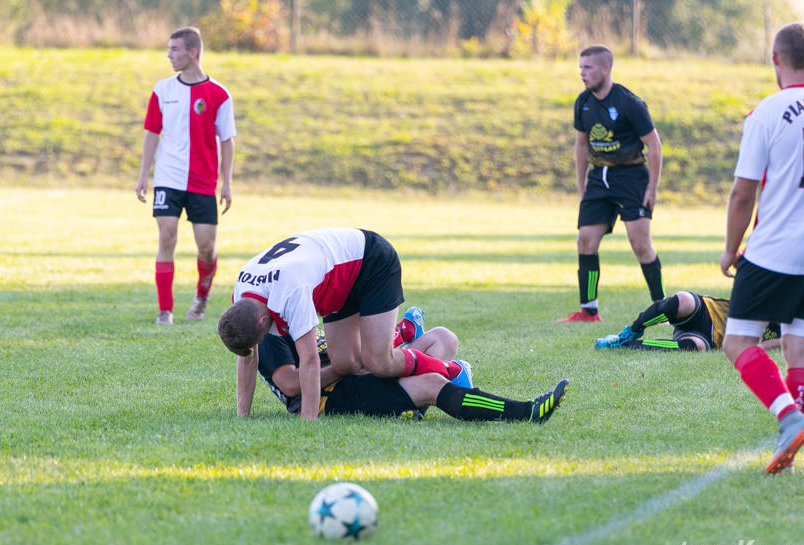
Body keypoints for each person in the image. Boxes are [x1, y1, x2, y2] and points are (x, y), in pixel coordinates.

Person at [720, 23, 804, 474]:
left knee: (737, 342)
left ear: (775, 59)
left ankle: (788, 417)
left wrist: (729, 249)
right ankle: (789, 451)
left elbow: (743, 193)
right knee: (801, 348)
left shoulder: (767, 112)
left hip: (775, 251)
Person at [217, 228, 475, 421]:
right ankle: (400, 337)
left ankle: (450, 370)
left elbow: (309, 360)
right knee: (348, 362)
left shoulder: (289, 291)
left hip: (370, 260)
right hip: (339, 275)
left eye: (262, 336)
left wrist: (308, 423)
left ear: (263, 320)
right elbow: (250, 358)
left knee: (378, 362)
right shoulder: (243, 293)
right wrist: (243, 417)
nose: (266, 339)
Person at [249, 307, 568, 424]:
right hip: (332, 397)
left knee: (442, 338)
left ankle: (412, 400)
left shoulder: (287, 313)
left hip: (359, 376)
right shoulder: (268, 334)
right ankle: (527, 412)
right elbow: (292, 385)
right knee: (432, 383)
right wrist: (348, 365)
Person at [135, 26, 236, 325]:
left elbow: (228, 140)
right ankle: (165, 310)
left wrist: (227, 182)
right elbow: (152, 133)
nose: (169, 55)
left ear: (192, 53)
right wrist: (144, 175)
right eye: (169, 50)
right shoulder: (161, 90)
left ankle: (202, 298)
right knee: (166, 236)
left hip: (203, 182)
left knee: (206, 246)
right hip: (168, 178)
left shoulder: (219, 94)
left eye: (175, 50)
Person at [559, 45, 664, 323]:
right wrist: (582, 187)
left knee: (640, 244)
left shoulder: (630, 103)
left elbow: (654, 146)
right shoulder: (582, 102)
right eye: (580, 67)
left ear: (606, 69)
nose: (582, 73)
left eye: (588, 67)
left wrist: (652, 188)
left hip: (631, 178)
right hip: (599, 179)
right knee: (585, 241)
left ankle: (661, 307)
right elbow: (581, 145)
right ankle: (589, 312)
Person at [594, 290, 804, 352]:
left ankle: (624, 345)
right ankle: (632, 331)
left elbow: (755, 348)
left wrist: (801, 340)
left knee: (695, 348)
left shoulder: (794, 331)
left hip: (709, 338)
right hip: (706, 311)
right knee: (682, 300)